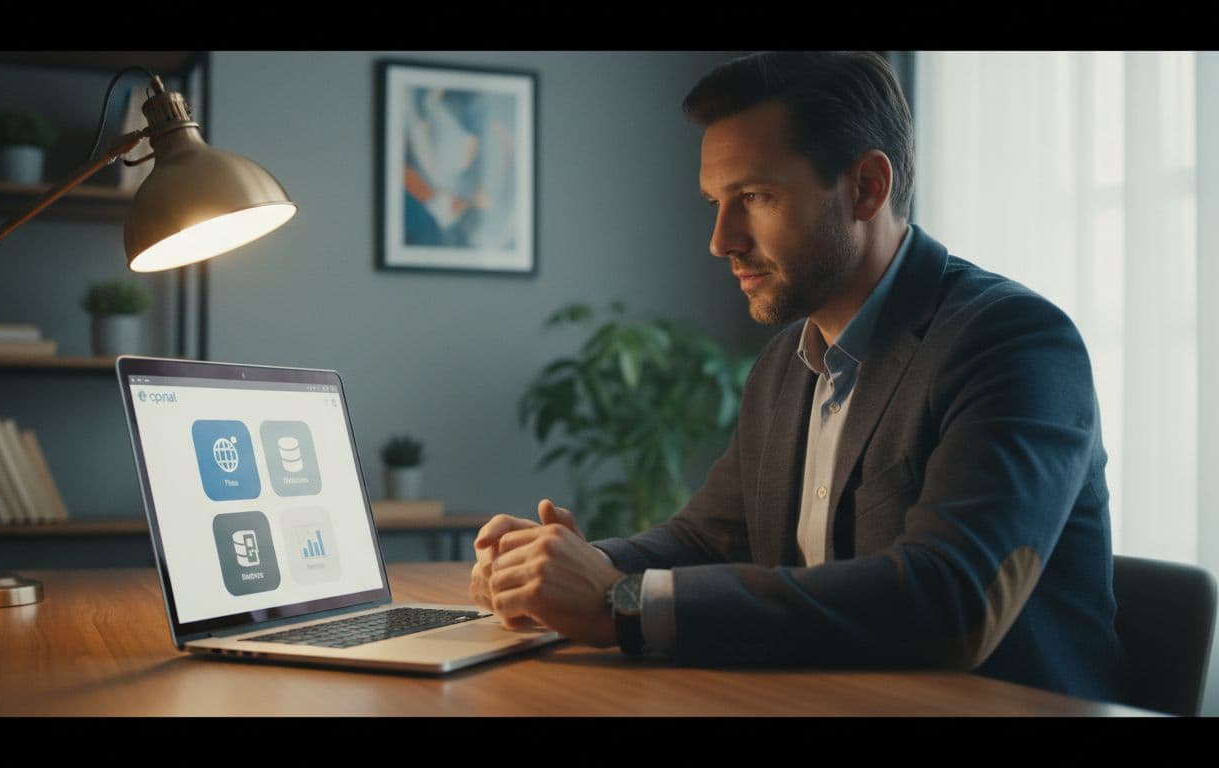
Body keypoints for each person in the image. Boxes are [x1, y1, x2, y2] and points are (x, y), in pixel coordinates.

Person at [469, 51, 1129, 702]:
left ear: (868, 187)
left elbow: (950, 599)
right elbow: (709, 538)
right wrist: (565, 569)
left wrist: (622, 604)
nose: (721, 239)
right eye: (714, 202)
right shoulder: (788, 360)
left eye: (756, 196)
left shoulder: (1013, 342)